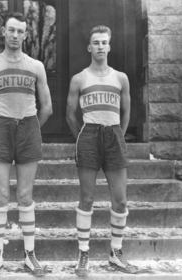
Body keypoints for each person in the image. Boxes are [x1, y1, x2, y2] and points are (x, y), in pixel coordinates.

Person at [0, 12, 53, 278]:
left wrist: (28, 130)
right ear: (3, 31)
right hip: (0, 126)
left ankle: (30, 255)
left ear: (25, 34)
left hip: (29, 126)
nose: (15, 35)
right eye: (11, 30)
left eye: (20, 31)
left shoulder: (36, 66)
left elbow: (47, 108)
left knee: (25, 196)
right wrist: (0, 129)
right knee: (0, 196)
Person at [66, 25, 136, 276]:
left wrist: (116, 133)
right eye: (95, 42)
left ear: (109, 46)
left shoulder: (120, 78)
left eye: (104, 42)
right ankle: (83, 253)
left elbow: (126, 113)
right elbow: (70, 115)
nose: (100, 47)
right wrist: (84, 138)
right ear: (89, 47)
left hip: (114, 135)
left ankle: (115, 253)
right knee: (86, 199)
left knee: (121, 200)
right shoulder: (80, 78)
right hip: (89, 135)